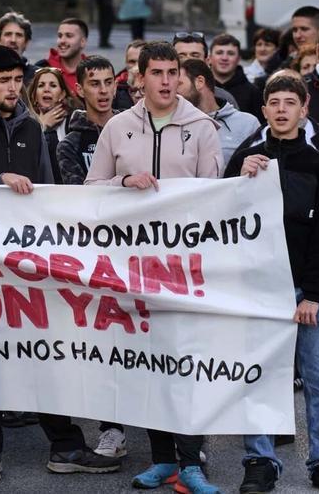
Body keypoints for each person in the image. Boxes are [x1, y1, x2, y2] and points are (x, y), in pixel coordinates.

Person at [0, 46, 120, 482]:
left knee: (44, 354)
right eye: (2, 80)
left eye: (15, 80)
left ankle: (65, 445)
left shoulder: (32, 129)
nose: (11, 88)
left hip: (29, 264)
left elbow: (47, 191)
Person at [84, 43, 220, 493]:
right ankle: (163, 459)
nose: (165, 80)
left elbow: (215, 197)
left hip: (183, 267)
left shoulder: (201, 127)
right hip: (131, 267)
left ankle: (191, 462)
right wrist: (123, 182)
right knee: (148, 366)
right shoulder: (118, 126)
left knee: (184, 365)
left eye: (172, 71)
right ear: (139, 79)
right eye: (157, 72)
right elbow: (91, 188)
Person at [227, 74, 319, 494]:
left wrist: (314, 295)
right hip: (259, 293)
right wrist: (236, 181)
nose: (282, 109)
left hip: (310, 293)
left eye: (290, 102)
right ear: (263, 110)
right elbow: (222, 223)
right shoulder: (244, 161)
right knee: (258, 379)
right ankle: (260, 461)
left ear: (304, 110)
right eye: (275, 102)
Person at [178, 58, 260, 166]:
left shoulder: (247, 123)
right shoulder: (172, 125)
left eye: (178, 84)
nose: (173, 91)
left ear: (200, 82)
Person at [56, 56, 118, 185]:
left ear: (115, 86)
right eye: (95, 84)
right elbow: (79, 193)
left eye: (108, 82)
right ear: (80, 90)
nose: (103, 90)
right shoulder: (69, 145)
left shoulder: (133, 128)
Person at [171, 33, 239, 110]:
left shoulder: (224, 98)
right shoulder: (164, 96)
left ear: (207, 61)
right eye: (181, 56)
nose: (187, 60)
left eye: (195, 56)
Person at [30, 67, 75, 180]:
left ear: (62, 94)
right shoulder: (25, 122)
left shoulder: (73, 121)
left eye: (53, 85)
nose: (47, 89)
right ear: (34, 95)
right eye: (41, 85)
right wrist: (42, 125)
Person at [209, 33, 263, 119]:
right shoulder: (200, 89)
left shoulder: (253, 93)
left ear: (238, 59)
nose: (224, 58)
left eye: (230, 53)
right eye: (219, 53)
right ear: (209, 58)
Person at [35, 18, 89, 94]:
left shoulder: (93, 70)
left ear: (82, 42)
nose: (62, 41)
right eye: (60, 36)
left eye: (69, 36)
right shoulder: (41, 68)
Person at [113, 40, 145, 110]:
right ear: (126, 63)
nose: (137, 65)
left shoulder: (157, 87)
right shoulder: (114, 87)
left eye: (141, 61)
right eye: (132, 62)